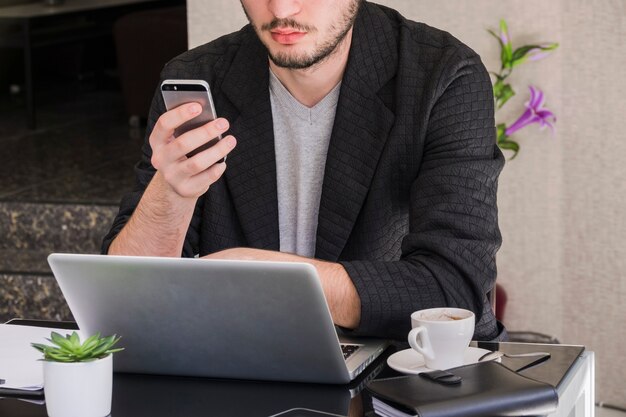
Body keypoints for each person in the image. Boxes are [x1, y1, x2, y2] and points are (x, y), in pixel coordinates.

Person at [103, 0, 506, 341]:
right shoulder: (195, 77)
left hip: (387, 377)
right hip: (234, 363)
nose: (281, 10)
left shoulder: (443, 75)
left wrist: (281, 282)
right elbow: (121, 300)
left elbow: (456, 290)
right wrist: (170, 193)